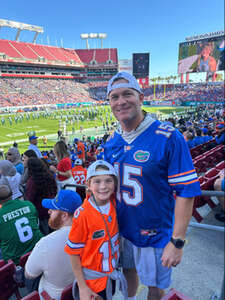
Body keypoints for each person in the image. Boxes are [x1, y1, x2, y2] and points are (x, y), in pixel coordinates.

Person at [103, 72, 201, 300]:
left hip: (154, 233)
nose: (121, 101)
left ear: (141, 97)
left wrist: (177, 241)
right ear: (109, 103)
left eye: (127, 94)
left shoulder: (168, 137)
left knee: (155, 289)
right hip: (122, 230)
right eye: (114, 97)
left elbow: (186, 191)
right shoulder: (112, 142)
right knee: (128, 272)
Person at [65, 160, 126, 300]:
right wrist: (82, 287)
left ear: (115, 183)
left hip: (111, 274)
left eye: (108, 181)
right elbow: (73, 254)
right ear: (88, 185)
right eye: (97, 181)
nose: (103, 186)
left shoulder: (114, 203)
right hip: (93, 282)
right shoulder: (83, 215)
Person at [25, 189, 82, 300]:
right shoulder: (89, 234)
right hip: (79, 290)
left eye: (54, 209)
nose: (49, 211)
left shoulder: (46, 243)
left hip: (54, 295)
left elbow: (29, 274)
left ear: (64, 215)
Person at [0, 184, 43, 264]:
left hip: (16, 260)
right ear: (12, 194)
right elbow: (36, 223)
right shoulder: (28, 204)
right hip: (38, 248)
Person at [25, 158, 57, 235]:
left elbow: (29, 199)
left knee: (46, 234)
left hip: (40, 212)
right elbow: (55, 190)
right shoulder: (49, 175)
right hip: (51, 208)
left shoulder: (32, 182)